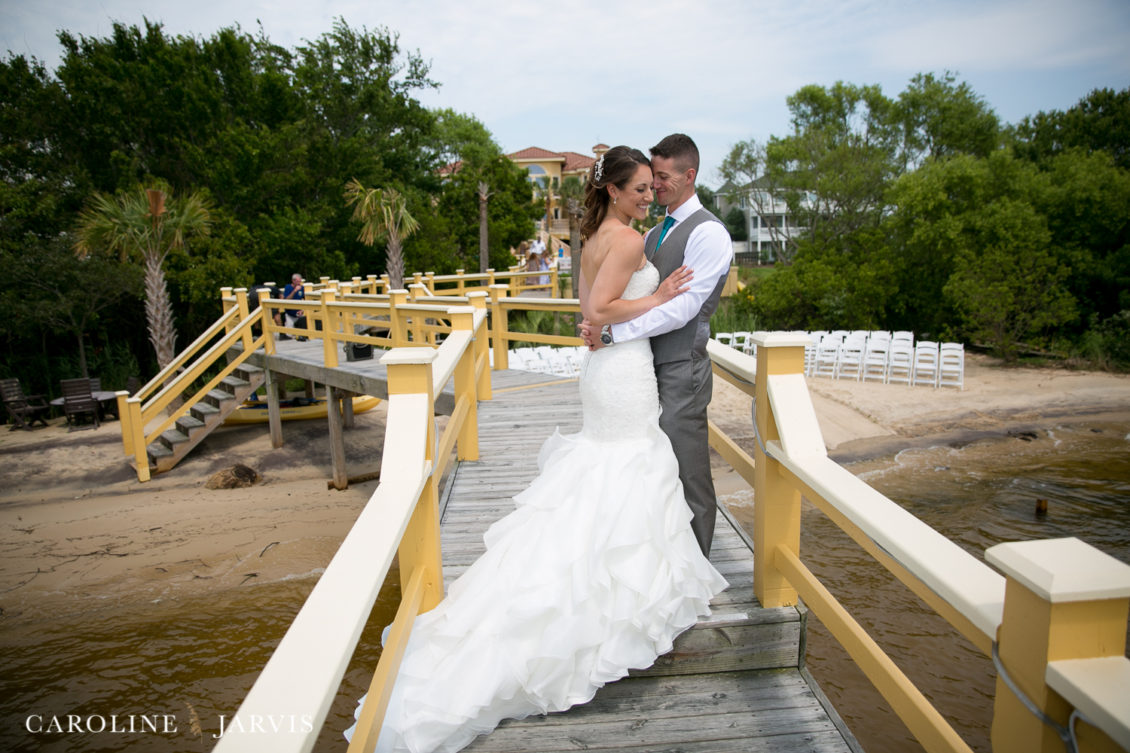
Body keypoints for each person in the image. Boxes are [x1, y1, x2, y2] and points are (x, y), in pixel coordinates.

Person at [345, 145, 727, 752]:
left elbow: (591, 310)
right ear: (614, 191)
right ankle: (620, 591)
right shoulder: (628, 240)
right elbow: (598, 310)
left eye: (653, 188)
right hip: (622, 367)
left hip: (610, 369)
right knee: (629, 466)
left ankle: (609, 571)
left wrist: (610, 321)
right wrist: (654, 300)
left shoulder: (600, 234)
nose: (648, 195)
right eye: (639, 189)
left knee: (614, 470)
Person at [582, 134, 732, 557]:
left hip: (681, 367)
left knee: (688, 472)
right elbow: (615, 299)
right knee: (653, 469)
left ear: (689, 176)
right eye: (649, 181)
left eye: (662, 179)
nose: (656, 188)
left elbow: (682, 310)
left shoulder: (709, 234)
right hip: (642, 370)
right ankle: (657, 556)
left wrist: (611, 334)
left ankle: (698, 563)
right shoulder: (648, 235)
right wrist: (599, 323)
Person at [281, 273, 305, 339]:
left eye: (300, 281)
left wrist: (302, 310)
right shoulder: (288, 287)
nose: (299, 283)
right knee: (289, 335)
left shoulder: (302, 288)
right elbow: (287, 299)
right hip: (290, 314)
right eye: (297, 281)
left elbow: (305, 300)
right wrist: (294, 291)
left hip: (299, 314)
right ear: (293, 281)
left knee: (303, 332)